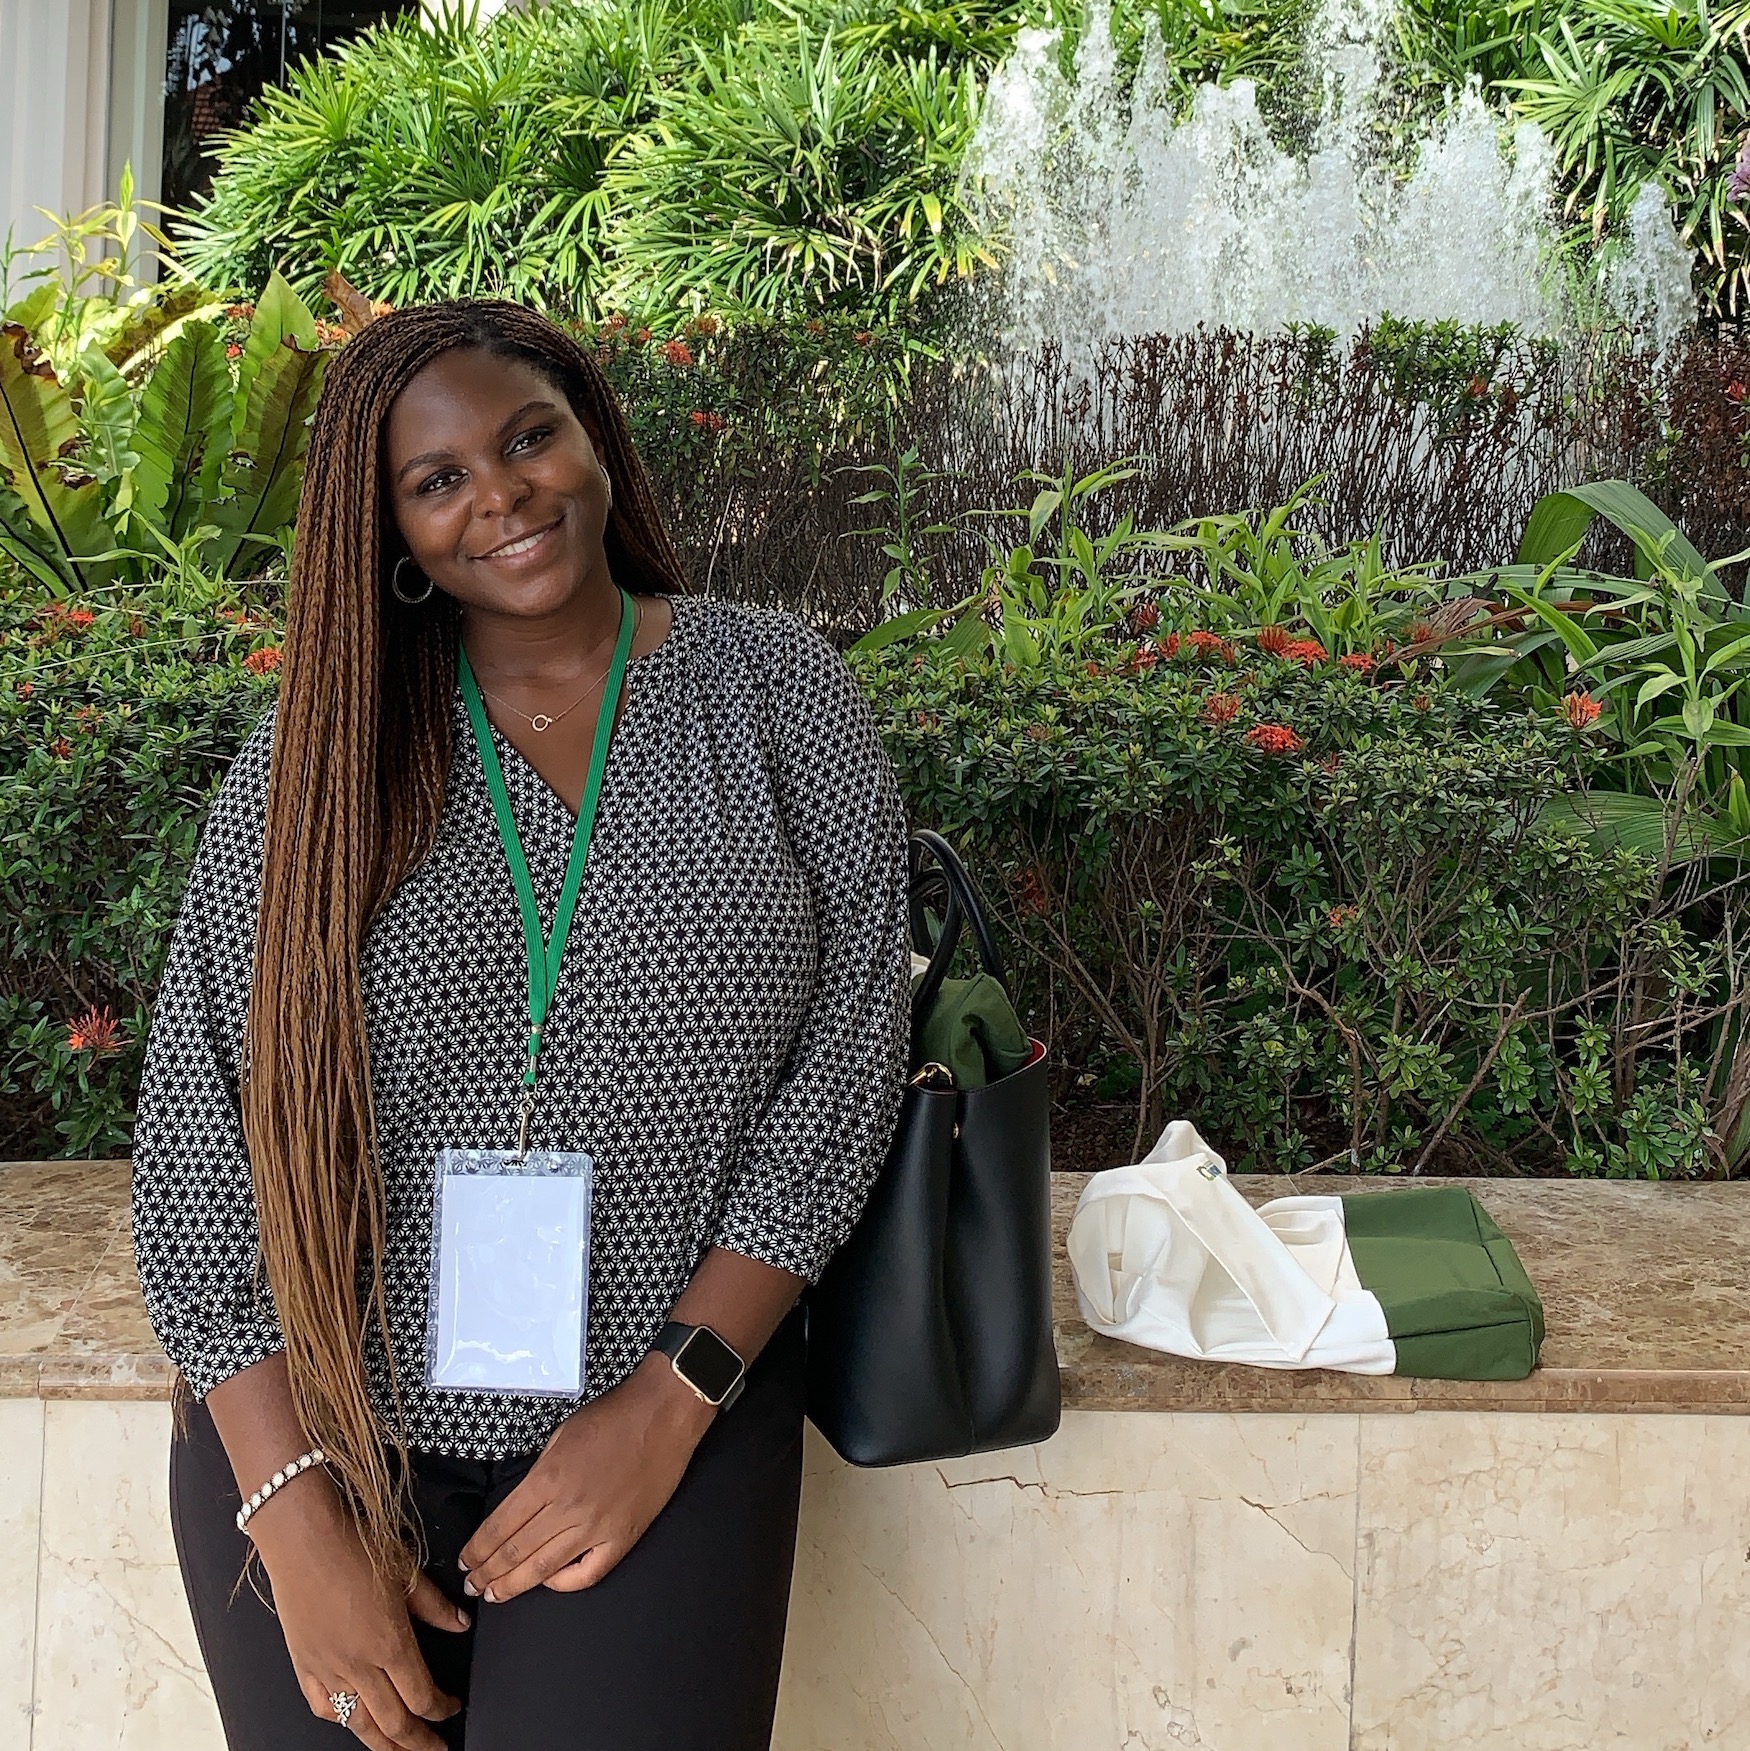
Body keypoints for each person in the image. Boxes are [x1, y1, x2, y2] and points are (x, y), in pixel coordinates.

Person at [130, 300, 912, 1751]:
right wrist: (289, 1508)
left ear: (593, 438)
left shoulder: (774, 692)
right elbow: (195, 1133)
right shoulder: (322, 749)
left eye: (526, 437)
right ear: (394, 532)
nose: (498, 494)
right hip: (324, 1432)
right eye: (436, 481)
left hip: (661, 1410)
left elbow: (847, 1062)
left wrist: (674, 1398)